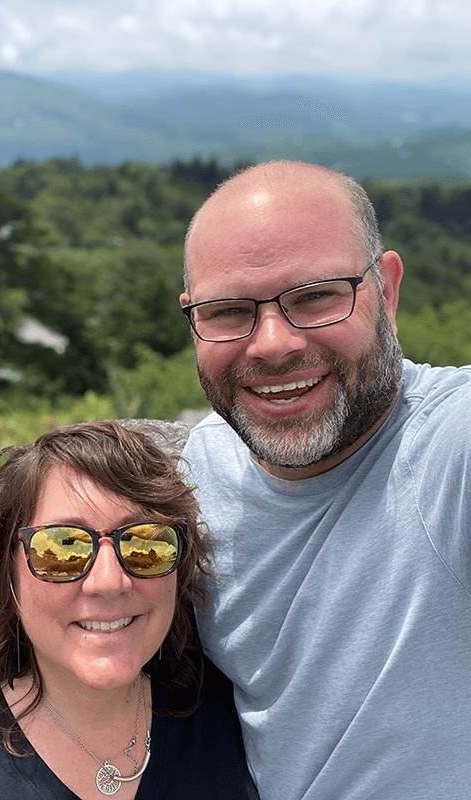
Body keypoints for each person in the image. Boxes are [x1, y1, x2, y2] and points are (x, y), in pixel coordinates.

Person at [179, 160, 471, 799]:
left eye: (315, 297)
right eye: (228, 312)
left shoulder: (450, 447)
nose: (271, 345)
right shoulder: (188, 483)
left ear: (386, 290)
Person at [0, 420, 259, 800]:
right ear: (5, 576)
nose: (109, 582)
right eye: (63, 547)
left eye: (145, 544)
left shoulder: (231, 720)